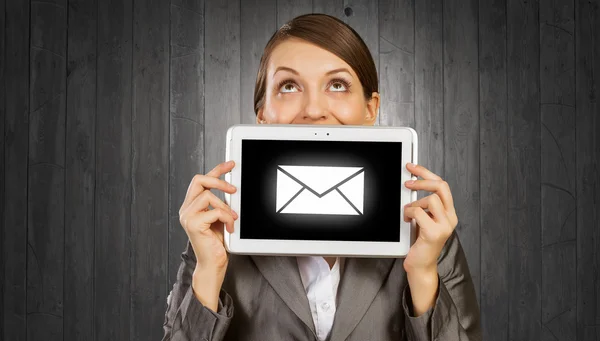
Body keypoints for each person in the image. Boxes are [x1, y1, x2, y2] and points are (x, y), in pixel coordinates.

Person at [162, 13, 481, 341]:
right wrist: (209, 272)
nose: (314, 110)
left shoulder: (426, 234)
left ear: (370, 109)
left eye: (337, 85)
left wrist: (424, 276)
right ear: (262, 116)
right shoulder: (218, 234)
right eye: (288, 86)